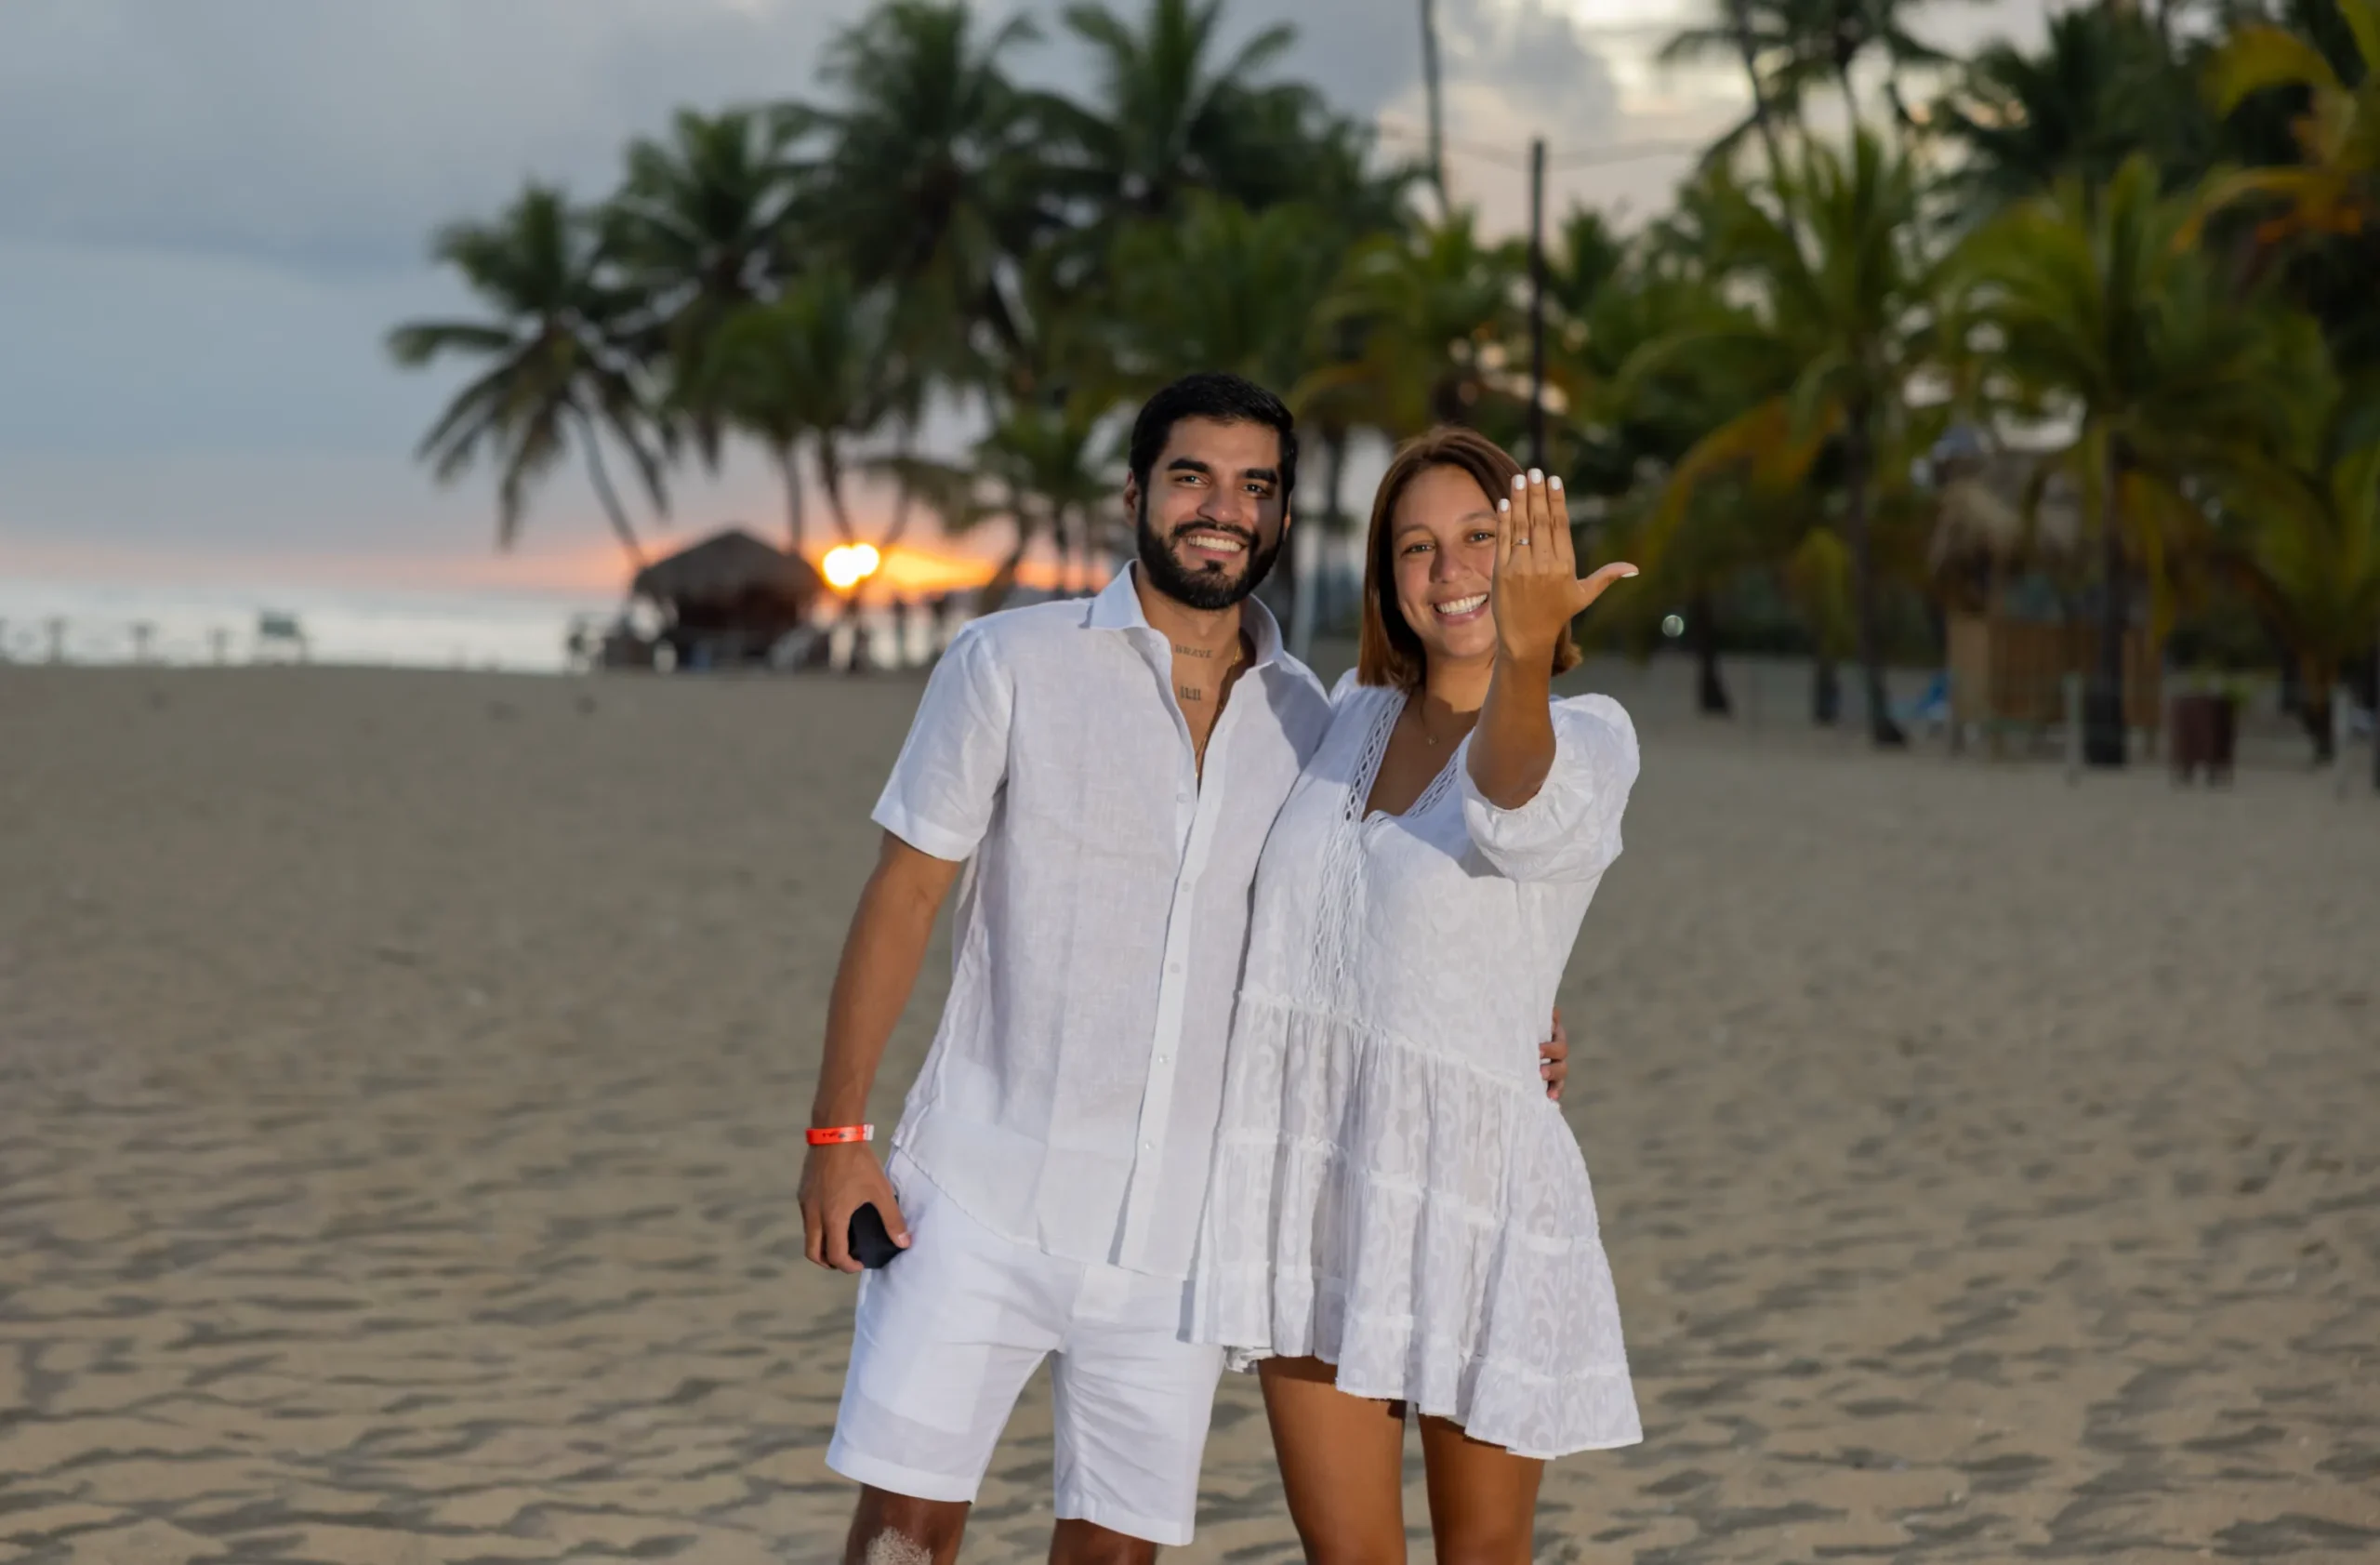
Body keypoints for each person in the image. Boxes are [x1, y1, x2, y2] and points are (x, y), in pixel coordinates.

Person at [797, 377, 1569, 1565]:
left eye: (1254, 486)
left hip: (1180, 1239)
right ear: (1134, 494)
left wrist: (1522, 1016)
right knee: (904, 1534)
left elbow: (1390, 899)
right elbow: (903, 894)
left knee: (1115, 1555)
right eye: (1191, 477)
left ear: (1281, 518)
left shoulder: (1316, 722)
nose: (1222, 509)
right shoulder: (1009, 660)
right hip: (977, 1195)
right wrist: (836, 1135)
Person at [1189, 427, 1643, 1564]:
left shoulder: (1589, 739)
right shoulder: (1344, 716)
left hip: (1469, 1197)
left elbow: (1510, 801)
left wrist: (1525, 657)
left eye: (1481, 538)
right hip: (1308, 1177)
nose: (1450, 572)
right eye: (1416, 547)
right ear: (1386, 577)